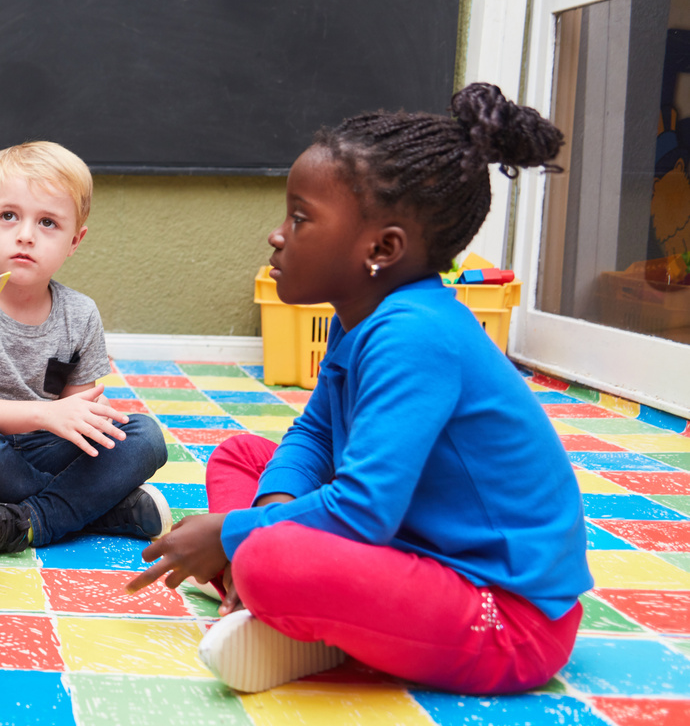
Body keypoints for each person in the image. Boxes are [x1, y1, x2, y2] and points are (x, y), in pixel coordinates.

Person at [129, 83, 591, 695]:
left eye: (300, 218)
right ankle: (292, 616)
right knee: (244, 457)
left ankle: (275, 606)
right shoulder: (364, 321)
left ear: (382, 249)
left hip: (506, 618)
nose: (278, 235)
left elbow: (363, 510)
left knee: (266, 559)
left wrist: (234, 536)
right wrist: (270, 518)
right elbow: (316, 433)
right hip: (412, 546)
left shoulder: (415, 335)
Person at [0, 141, 169, 553]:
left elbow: (82, 420)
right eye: (8, 216)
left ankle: (24, 521)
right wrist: (45, 412)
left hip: (42, 446)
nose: (25, 235)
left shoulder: (80, 314)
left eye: (47, 223)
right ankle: (99, 508)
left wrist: (81, 420)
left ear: (74, 241)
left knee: (146, 436)